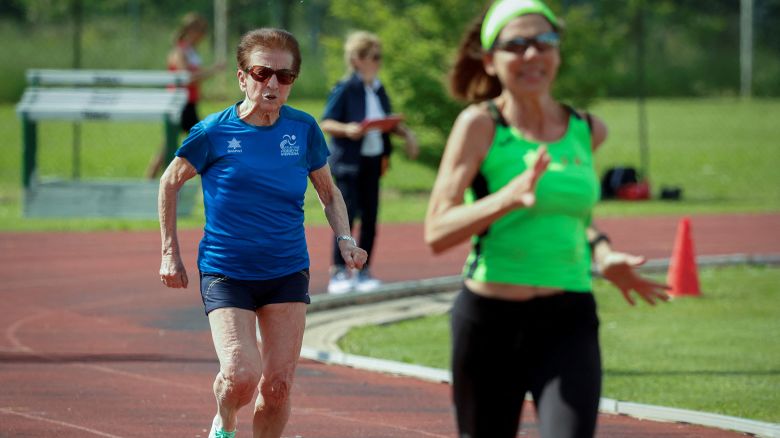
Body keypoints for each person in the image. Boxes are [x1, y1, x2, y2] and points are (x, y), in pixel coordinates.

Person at [423, 1, 670, 437]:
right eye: (516, 45)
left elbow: (571, 219)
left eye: (544, 42)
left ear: (557, 52)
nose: (532, 55)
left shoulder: (587, 129)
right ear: (491, 60)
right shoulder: (481, 125)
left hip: (568, 319)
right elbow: (437, 231)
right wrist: (507, 198)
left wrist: (605, 254)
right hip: (489, 322)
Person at [158, 28, 367, 438]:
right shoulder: (213, 132)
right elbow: (169, 181)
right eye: (261, 73)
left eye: (284, 76)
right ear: (242, 77)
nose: (272, 83)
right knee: (239, 376)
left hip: (286, 270)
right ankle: (226, 420)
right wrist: (170, 252)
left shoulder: (303, 129)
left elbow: (329, 193)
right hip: (227, 271)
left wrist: (345, 239)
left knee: (278, 386)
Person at [320, 31, 420, 294]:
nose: (378, 62)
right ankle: (340, 271)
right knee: (346, 216)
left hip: (373, 162)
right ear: (357, 59)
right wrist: (348, 129)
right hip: (349, 163)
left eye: (379, 57)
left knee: (372, 217)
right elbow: (327, 122)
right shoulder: (345, 88)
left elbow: (387, 119)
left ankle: (364, 272)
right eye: (373, 57)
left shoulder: (378, 88)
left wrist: (406, 133)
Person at [146, 12, 225, 179]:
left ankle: (154, 178)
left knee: (170, 145)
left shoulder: (191, 52)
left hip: (190, 102)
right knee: (205, 138)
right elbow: (185, 78)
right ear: (192, 31)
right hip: (180, 103)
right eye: (201, 31)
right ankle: (212, 176)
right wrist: (213, 70)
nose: (203, 36)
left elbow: (194, 75)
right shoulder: (179, 51)